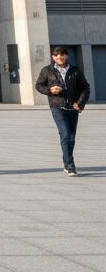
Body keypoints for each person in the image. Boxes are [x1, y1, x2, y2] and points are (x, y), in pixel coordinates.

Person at [35, 46, 90, 176]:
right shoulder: (47, 70)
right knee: (65, 134)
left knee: (71, 137)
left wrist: (80, 103)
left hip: (73, 107)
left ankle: (66, 162)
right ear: (53, 57)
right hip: (57, 106)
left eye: (62, 55)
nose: (59, 57)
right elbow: (39, 85)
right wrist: (49, 90)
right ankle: (70, 166)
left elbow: (85, 87)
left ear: (66, 56)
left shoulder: (75, 70)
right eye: (56, 55)